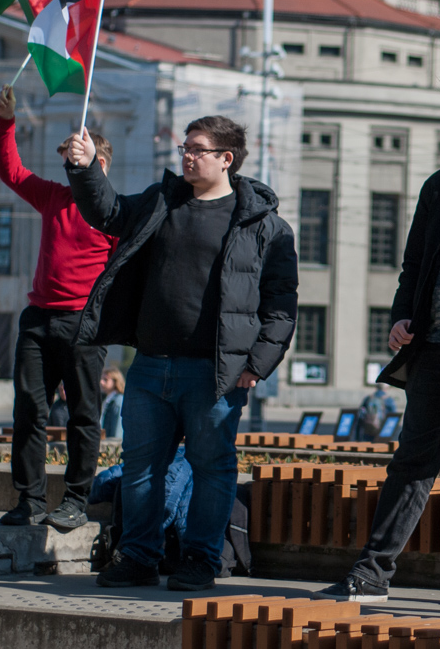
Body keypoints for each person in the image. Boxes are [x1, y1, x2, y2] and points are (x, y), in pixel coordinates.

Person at [63, 115, 297, 591]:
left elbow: (282, 305)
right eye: (184, 148)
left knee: (212, 469)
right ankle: (139, 557)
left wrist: (257, 366)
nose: (186, 156)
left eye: (197, 149)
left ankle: (200, 560)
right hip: (149, 366)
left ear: (225, 159)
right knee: (140, 469)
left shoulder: (264, 226)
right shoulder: (160, 202)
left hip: (217, 374)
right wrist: (86, 170)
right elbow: (107, 212)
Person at [314, 73, 440, 609]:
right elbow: (413, 265)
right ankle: (373, 573)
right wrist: (404, 315)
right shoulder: (437, 186)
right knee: (412, 461)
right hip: (434, 348)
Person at [0, 85, 118, 529]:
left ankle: (75, 502)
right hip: (38, 318)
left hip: (84, 324)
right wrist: (6, 122)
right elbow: (11, 172)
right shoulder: (52, 198)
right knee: (28, 409)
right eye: (65, 161)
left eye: (75, 159)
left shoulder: (114, 213)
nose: (67, 168)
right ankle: (28, 499)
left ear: (98, 163)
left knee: (84, 415)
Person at [100, 366, 125, 440]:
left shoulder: (118, 400)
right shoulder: (107, 399)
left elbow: (117, 429)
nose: (101, 382)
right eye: (101, 379)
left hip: (112, 446)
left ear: (115, 381)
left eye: (105, 380)